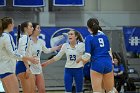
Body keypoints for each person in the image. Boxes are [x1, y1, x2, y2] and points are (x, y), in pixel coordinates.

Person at [77, 18, 118, 93]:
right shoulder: (104, 37)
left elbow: (87, 56)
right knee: (111, 90)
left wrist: (80, 59)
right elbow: (109, 51)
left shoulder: (89, 38)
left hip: (97, 64)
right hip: (108, 63)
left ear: (88, 28)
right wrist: (111, 62)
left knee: (97, 91)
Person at [0, 17, 38, 93]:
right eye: (13, 23)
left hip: (4, 69)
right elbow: (13, 54)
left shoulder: (2, 36)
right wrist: (29, 59)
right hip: (8, 70)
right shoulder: (7, 36)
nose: (14, 25)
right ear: (10, 25)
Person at [30, 23, 61, 93]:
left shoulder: (41, 41)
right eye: (38, 28)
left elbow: (46, 50)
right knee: (32, 90)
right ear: (33, 29)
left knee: (42, 90)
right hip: (29, 68)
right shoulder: (27, 41)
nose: (40, 30)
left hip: (38, 68)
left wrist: (58, 47)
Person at [16, 21, 36, 93]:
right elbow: (22, 54)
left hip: (25, 65)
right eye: (31, 27)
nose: (33, 28)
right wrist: (27, 68)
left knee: (32, 90)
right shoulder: (25, 38)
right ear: (25, 28)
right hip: (23, 66)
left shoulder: (26, 38)